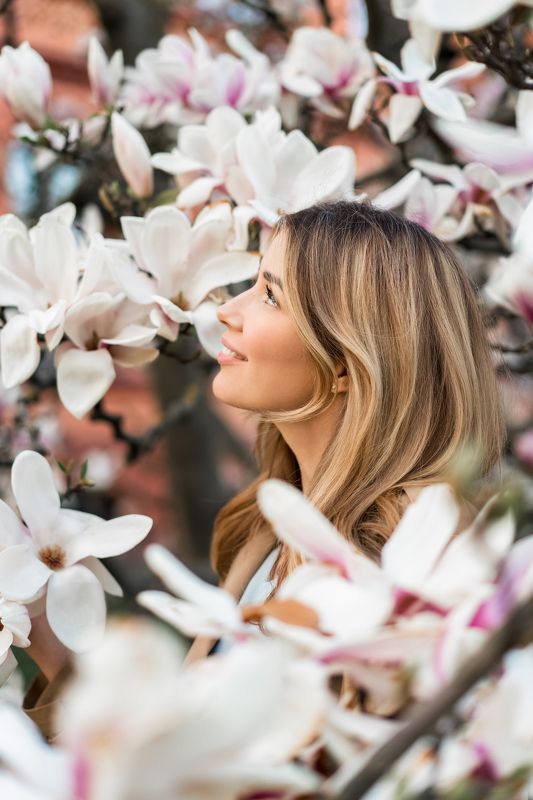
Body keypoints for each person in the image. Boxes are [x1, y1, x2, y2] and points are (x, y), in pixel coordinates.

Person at [22, 200, 506, 732]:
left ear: (346, 361)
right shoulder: (268, 532)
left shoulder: (403, 567)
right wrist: (48, 636)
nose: (228, 310)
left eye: (271, 295)